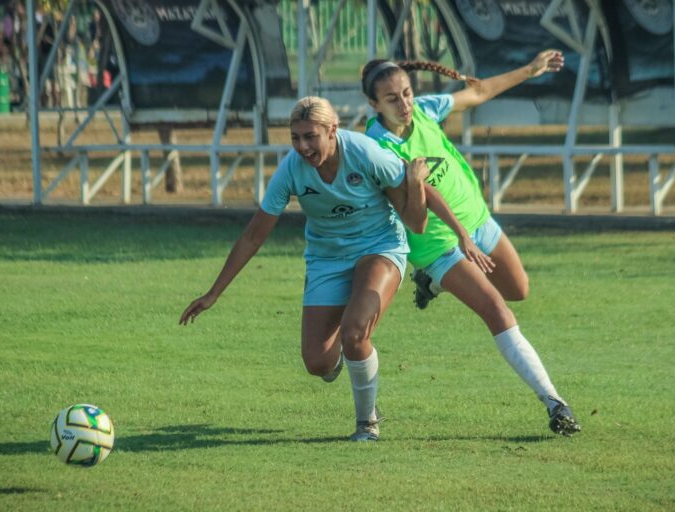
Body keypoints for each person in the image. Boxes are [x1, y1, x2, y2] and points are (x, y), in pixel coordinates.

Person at [179, 96, 484, 442]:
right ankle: (346, 354)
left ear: (333, 130)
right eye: (295, 137)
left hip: (379, 247)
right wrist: (213, 293)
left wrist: (462, 235)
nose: (303, 147)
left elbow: (421, 192)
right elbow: (252, 237)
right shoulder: (291, 170)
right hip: (326, 258)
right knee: (318, 363)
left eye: (311, 136)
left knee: (355, 332)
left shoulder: (365, 152)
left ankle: (367, 423)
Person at [360, 50, 581, 436]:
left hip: (477, 221)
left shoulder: (424, 110)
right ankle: (555, 403)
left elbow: (478, 93)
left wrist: (530, 70)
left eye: (407, 93)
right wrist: (448, 223)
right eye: (392, 99)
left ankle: (432, 285)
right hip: (438, 244)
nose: (404, 104)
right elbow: (420, 207)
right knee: (496, 310)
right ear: (373, 104)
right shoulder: (378, 148)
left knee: (519, 290)